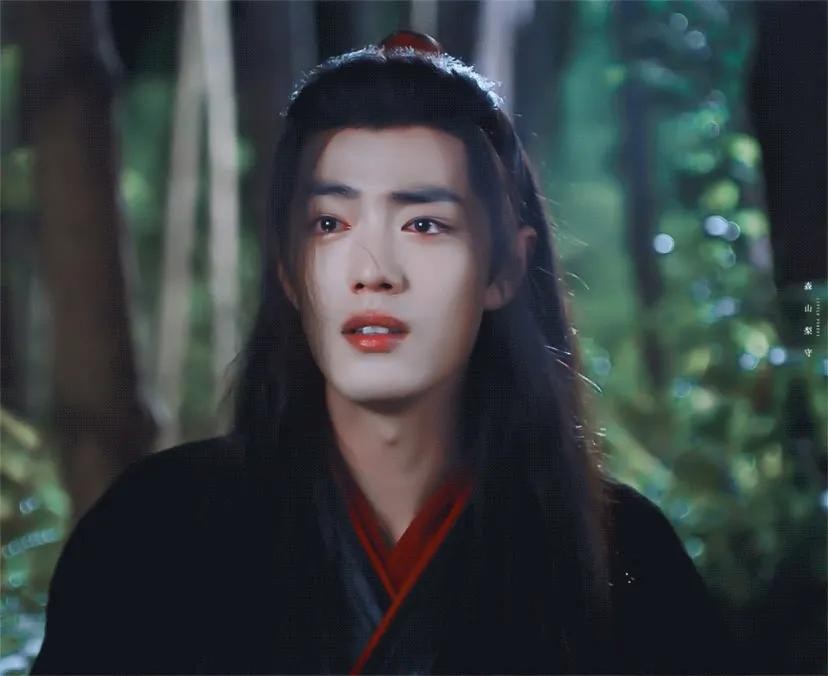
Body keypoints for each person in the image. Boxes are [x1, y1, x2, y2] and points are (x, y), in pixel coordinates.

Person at [31, 31, 736, 675]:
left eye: (424, 223)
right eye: (330, 223)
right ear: (288, 270)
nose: (374, 270)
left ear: (504, 268)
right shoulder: (152, 533)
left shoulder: (622, 555)